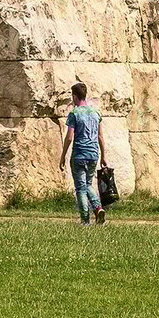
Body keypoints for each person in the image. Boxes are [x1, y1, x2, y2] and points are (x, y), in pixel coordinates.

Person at [61, 81, 107, 226]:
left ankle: (85, 220)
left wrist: (62, 155)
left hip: (79, 154)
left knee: (81, 187)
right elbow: (100, 136)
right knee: (88, 184)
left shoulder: (74, 114)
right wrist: (104, 156)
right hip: (94, 154)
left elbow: (69, 137)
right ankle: (98, 209)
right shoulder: (96, 113)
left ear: (75, 96)